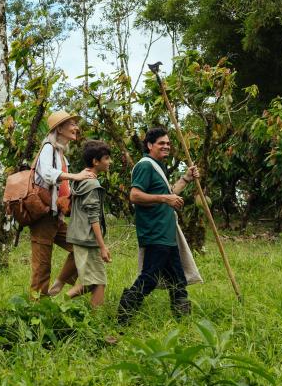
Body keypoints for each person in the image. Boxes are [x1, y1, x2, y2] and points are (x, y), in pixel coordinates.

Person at [118, 126, 198, 323]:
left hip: (167, 233)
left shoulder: (158, 166)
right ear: (149, 145)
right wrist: (164, 199)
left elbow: (169, 192)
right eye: (161, 143)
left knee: (178, 279)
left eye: (168, 143)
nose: (166, 146)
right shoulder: (145, 165)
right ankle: (123, 316)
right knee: (150, 276)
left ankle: (183, 322)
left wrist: (186, 178)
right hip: (155, 232)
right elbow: (134, 195)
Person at [31, 110, 92, 297]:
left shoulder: (61, 154)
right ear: (59, 128)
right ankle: (35, 309)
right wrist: (76, 175)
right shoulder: (48, 147)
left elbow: (62, 187)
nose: (76, 127)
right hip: (43, 215)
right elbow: (47, 174)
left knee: (82, 246)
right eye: (72, 124)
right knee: (42, 266)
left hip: (56, 216)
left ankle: (58, 285)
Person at [63, 139, 113, 308]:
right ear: (95, 161)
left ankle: (56, 304)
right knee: (99, 282)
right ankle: (95, 326)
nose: (109, 162)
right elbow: (94, 218)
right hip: (88, 238)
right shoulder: (92, 184)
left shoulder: (80, 180)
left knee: (92, 281)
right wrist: (102, 246)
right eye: (106, 158)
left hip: (78, 236)